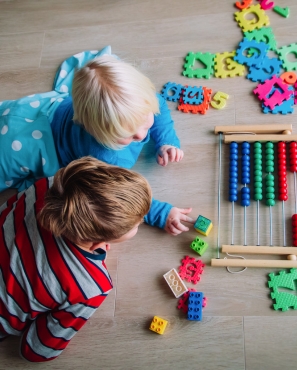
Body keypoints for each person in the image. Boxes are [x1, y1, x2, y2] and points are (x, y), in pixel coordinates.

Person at [0, 46, 192, 235]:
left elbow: (159, 108)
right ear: (96, 132)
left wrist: (167, 141)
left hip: (46, 109)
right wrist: (160, 213)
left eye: (145, 122)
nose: (141, 136)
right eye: (126, 135)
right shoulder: (104, 156)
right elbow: (114, 196)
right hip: (31, 144)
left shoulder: (142, 102)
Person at [0, 157, 152, 362]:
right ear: (97, 243)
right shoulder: (90, 286)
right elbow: (36, 351)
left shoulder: (49, 185)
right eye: (137, 225)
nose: (142, 221)